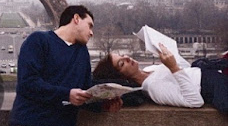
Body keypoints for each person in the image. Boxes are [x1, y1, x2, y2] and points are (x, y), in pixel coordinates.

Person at [93, 43, 228, 114]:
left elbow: (184, 73)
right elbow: (195, 101)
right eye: (122, 63)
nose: (127, 58)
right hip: (215, 85)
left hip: (212, 73)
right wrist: (173, 67)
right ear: (121, 77)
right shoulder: (153, 88)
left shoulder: (149, 70)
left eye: (123, 56)